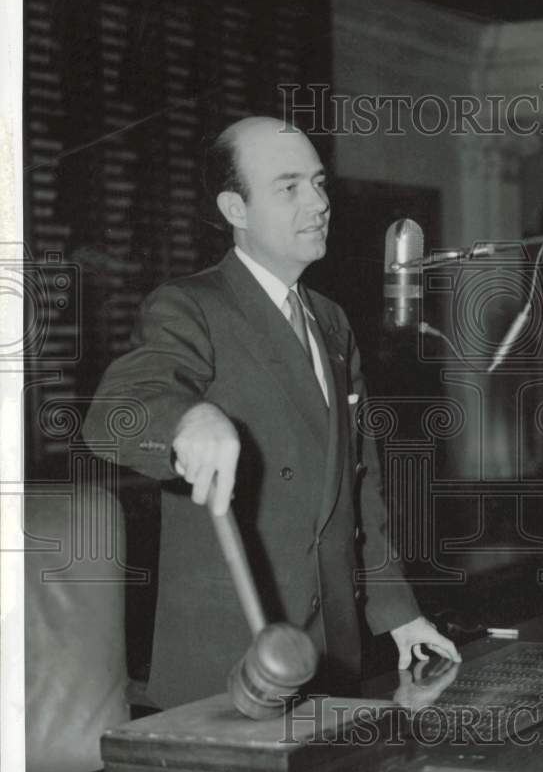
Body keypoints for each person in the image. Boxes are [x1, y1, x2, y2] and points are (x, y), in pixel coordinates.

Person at [83, 116, 460, 709]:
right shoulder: (191, 305)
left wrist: (399, 616)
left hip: (332, 654)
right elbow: (120, 409)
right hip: (232, 666)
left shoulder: (332, 322)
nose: (317, 203)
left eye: (318, 184)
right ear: (235, 207)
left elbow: (358, 483)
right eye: (289, 188)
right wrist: (187, 420)